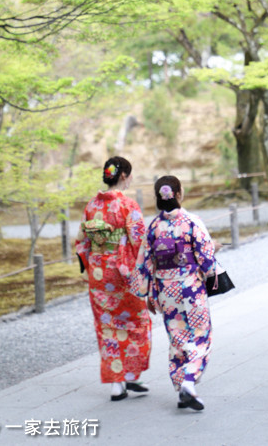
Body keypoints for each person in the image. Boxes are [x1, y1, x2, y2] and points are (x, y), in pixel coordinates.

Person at [132, 175, 217, 411]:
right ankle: (189, 381)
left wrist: (148, 293)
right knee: (200, 335)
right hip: (191, 288)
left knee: (177, 337)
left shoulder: (154, 227)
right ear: (178, 193)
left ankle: (181, 387)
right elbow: (207, 260)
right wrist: (211, 266)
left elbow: (145, 262)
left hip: (165, 290)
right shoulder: (192, 221)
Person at [75, 156, 152, 401]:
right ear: (123, 176)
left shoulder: (91, 206)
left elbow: (81, 243)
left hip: (99, 276)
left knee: (107, 327)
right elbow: (140, 243)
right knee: (136, 322)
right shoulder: (128, 205)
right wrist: (144, 272)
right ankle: (131, 375)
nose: (131, 180)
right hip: (123, 274)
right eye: (130, 176)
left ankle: (117, 384)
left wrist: (92, 266)